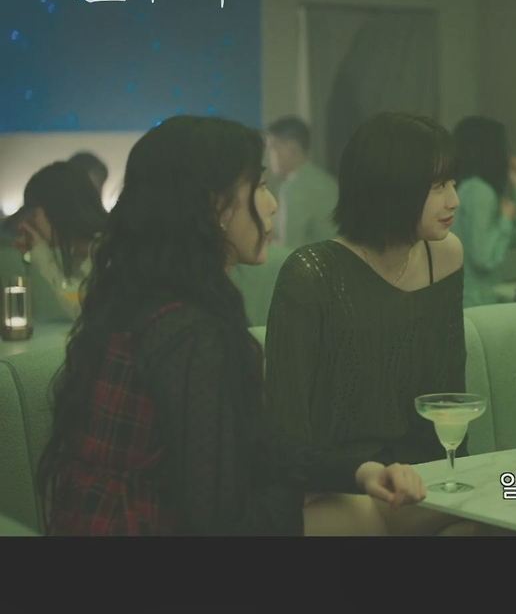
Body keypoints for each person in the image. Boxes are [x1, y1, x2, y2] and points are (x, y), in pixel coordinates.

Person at [37, 116, 424, 535]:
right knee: (384, 517)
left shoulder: (139, 301)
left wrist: (359, 471)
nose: (272, 204)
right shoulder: (191, 334)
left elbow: (252, 444)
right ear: (215, 206)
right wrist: (303, 494)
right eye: (260, 187)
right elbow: (219, 522)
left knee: (404, 513)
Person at [264, 112, 484, 535]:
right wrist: (365, 474)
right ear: (393, 188)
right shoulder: (312, 273)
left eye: (453, 183)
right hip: (338, 483)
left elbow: (447, 393)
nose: (454, 200)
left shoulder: (445, 256)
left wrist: (453, 481)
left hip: (422, 479)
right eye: (438, 187)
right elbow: (287, 433)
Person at [453, 115, 516, 307]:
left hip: (478, 300)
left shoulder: (474, 189)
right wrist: (505, 219)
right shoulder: (478, 191)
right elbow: (484, 258)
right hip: (475, 303)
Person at [8, 161, 108, 319]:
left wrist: (41, 253)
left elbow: (81, 308)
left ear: (56, 210)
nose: (26, 224)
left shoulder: (106, 252)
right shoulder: (77, 250)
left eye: (34, 215)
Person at [265, 116, 339, 249]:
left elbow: (289, 249)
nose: (270, 155)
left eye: (273, 147)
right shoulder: (325, 180)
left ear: (292, 149)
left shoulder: (294, 187)